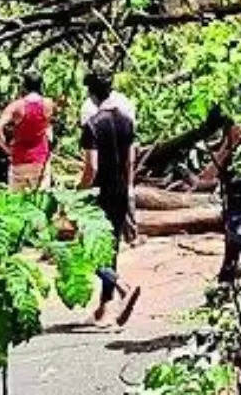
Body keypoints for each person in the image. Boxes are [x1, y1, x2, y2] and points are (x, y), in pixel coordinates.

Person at [77, 70, 141, 327]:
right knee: (110, 248)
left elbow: (91, 167)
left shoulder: (92, 124)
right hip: (120, 190)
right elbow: (130, 161)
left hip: (99, 193)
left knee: (87, 250)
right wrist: (128, 188)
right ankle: (104, 309)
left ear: (92, 94)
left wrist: (79, 192)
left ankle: (122, 287)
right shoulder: (126, 121)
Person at [0, 69, 59, 191]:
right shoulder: (48, 104)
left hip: (19, 160)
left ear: (24, 85)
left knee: (17, 204)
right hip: (40, 159)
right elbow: (49, 128)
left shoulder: (17, 106)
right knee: (39, 203)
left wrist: (7, 149)